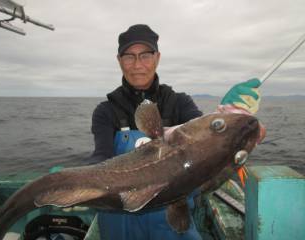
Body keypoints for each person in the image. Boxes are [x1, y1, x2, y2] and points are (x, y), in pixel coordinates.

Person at [88, 24, 261, 240]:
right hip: (119, 221)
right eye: (129, 56)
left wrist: (227, 115)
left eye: (145, 55)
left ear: (157, 58)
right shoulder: (106, 111)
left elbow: (206, 137)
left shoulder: (179, 102)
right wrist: (80, 185)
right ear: (119, 60)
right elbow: (100, 157)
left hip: (171, 222)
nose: (138, 64)